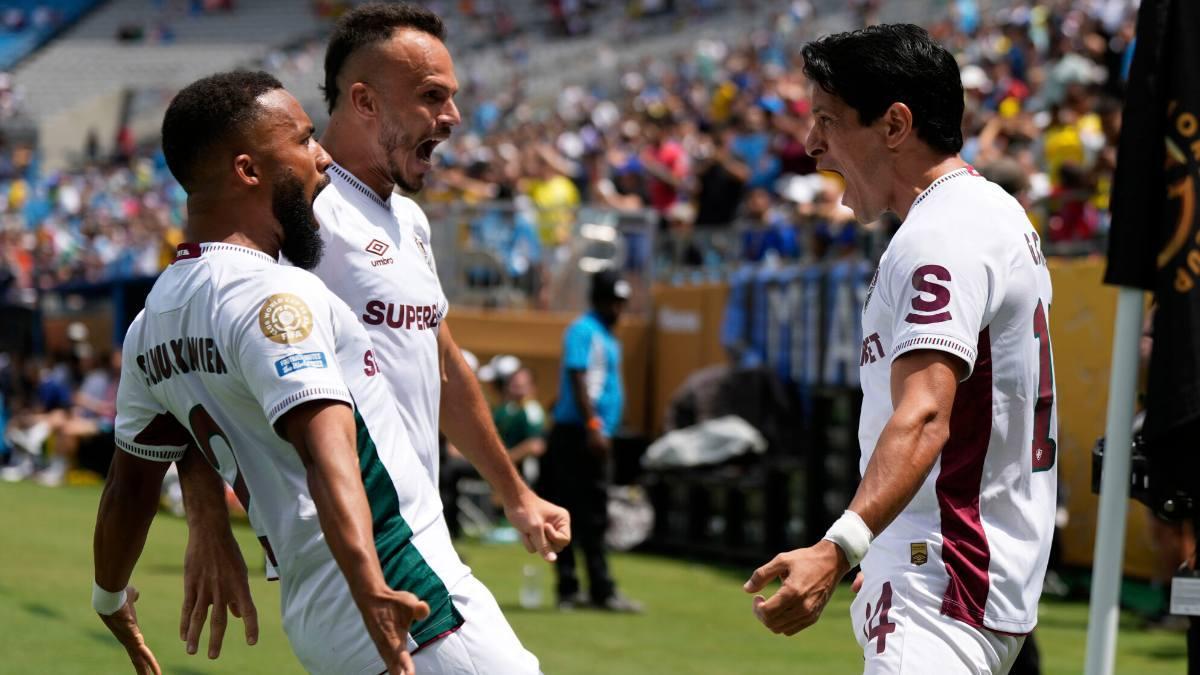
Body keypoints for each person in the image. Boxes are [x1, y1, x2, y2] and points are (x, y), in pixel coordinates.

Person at [93, 71, 545, 675]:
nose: (323, 159)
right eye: (304, 141)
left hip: (314, 619)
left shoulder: (152, 324)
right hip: (408, 598)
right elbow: (329, 456)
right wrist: (371, 590)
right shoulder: (275, 297)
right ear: (249, 170)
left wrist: (110, 596)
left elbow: (128, 490)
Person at [178, 1, 571, 645]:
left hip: (413, 534)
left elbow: (443, 365)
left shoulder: (410, 222)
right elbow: (188, 355)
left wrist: (515, 492)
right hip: (363, 546)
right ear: (364, 101)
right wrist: (206, 521)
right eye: (432, 96)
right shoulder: (297, 214)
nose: (453, 117)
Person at [743, 25, 1057, 675]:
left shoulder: (939, 235)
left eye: (828, 121)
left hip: (941, 588)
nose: (811, 145)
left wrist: (840, 548)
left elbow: (924, 414)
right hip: (971, 575)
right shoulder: (994, 213)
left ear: (894, 125)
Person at [540, 269, 643, 613]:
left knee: (595, 514)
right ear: (598, 299)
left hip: (591, 433)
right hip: (579, 435)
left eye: (621, 302)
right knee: (571, 510)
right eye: (613, 300)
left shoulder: (608, 336)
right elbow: (578, 375)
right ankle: (572, 589)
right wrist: (594, 424)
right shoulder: (584, 330)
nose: (618, 308)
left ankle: (597, 588)